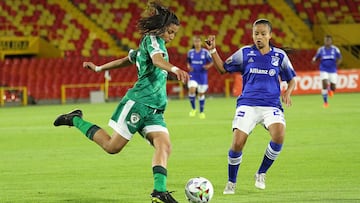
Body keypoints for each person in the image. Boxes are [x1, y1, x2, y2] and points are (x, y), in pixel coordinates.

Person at [53, 2, 189, 203]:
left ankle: (159, 191)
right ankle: (75, 120)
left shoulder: (153, 45)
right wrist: (175, 69)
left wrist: (100, 68)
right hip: (138, 104)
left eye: (174, 34)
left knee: (164, 146)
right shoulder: (153, 41)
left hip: (155, 110)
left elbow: (128, 59)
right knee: (111, 147)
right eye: (170, 32)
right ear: (160, 28)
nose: (171, 37)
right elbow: (158, 61)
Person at [204, 19, 296, 194]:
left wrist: (288, 91)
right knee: (237, 143)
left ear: (270, 35)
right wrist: (213, 51)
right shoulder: (244, 53)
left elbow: (291, 78)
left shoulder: (279, 56)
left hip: (271, 105)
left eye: (262, 33)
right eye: (256, 33)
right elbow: (223, 69)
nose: (259, 37)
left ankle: (261, 173)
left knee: (279, 136)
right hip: (248, 104)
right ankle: (231, 182)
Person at [187, 36, 213, 119]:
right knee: (192, 90)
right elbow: (188, 62)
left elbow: (212, 61)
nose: (197, 43)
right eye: (195, 41)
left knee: (201, 94)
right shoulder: (190, 52)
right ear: (193, 43)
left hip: (202, 76)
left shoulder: (205, 52)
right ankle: (193, 109)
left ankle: (201, 111)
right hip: (193, 75)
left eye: (198, 41)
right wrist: (188, 66)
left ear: (201, 43)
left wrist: (207, 66)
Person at [312, 35, 342, 108]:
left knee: (333, 87)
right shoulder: (321, 49)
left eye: (328, 40)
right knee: (324, 83)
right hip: (323, 69)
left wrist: (337, 64)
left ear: (331, 41)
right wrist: (314, 60)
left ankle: (330, 90)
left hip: (333, 70)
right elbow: (316, 57)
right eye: (326, 40)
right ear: (324, 41)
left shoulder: (335, 49)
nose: (327, 41)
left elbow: (340, 57)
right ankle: (325, 102)